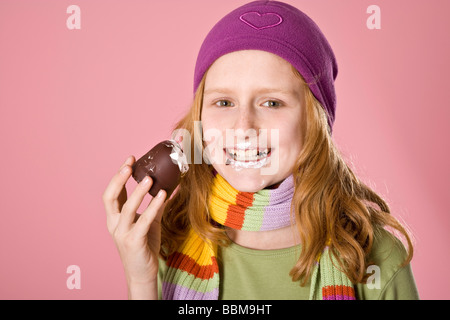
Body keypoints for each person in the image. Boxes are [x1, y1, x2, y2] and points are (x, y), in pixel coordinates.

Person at [102, 0, 419, 300]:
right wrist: (141, 280)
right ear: (199, 120)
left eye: (272, 102)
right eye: (223, 102)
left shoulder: (375, 257)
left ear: (314, 123)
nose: (243, 127)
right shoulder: (165, 241)